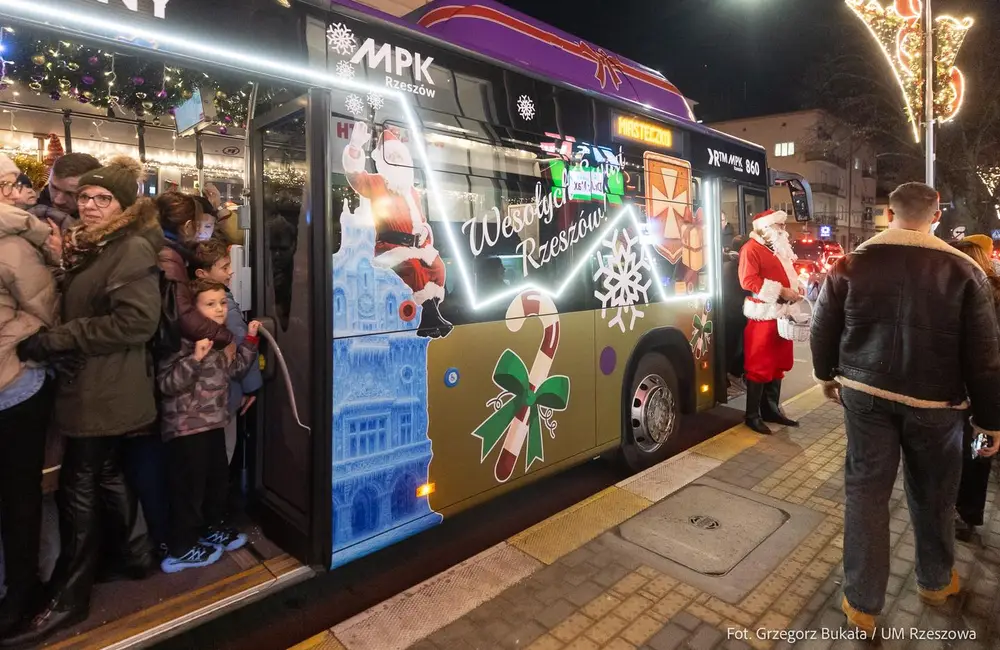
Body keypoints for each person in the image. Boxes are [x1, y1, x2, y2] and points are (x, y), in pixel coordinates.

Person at [811, 182, 1000, 636]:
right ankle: (935, 582)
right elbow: (984, 356)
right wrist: (990, 421)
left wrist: (825, 376)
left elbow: (822, 327)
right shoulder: (964, 271)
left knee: (865, 492)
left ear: (889, 214)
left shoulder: (851, 263)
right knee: (934, 493)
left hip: (864, 394)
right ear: (936, 215)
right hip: (937, 404)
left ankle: (862, 605)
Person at [7, 156, 161, 646]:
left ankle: (70, 598)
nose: (90, 205)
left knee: (78, 484)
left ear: (124, 206)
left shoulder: (130, 247)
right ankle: (137, 555)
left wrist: (58, 340)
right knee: (105, 469)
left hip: (105, 385)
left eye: (103, 199)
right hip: (98, 380)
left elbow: (137, 322)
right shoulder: (98, 243)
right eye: (85, 197)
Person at [158, 279, 260, 573]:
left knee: (215, 481)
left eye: (222, 303)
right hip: (187, 428)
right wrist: (195, 359)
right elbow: (167, 384)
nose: (219, 309)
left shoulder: (220, 341)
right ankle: (181, 547)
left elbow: (235, 370)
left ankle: (210, 527)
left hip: (214, 422)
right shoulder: (180, 340)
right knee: (189, 489)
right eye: (210, 304)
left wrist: (250, 341)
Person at [0, 153, 59, 638]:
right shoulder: (19, 238)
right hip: (11, 379)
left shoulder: (14, 244)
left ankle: (21, 591)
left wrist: (9, 342)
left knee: (18, 493)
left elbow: (43, 313)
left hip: (13, 381)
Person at [343, 122, 452, 338]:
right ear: (384, 161)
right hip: (390, 247)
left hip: (417, 245)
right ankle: (430, 317)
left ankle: (430, 316)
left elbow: (421, 220)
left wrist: (424, 231)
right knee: (414, 268)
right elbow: (356, 178)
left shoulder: (412, 192)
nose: (397, 162)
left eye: (400, 158)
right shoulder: (377, 183)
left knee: (438, 267)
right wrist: (354, 149)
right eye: (392, 158)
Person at [191, 238, 263, 464]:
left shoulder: (192, 301)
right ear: (202, 273)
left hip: (206, 402)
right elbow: (239, 344)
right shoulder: (225, 307)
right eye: (224, 267)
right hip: (226, 396)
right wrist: (251, 387)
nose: (231, 272)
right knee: (224, 451)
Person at [950, 236, 1000, 541]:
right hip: (986, 392)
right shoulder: (993, 291)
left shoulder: (960, 292)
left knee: (957, 451)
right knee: (977, 452)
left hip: (961, 391)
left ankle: (956, 510)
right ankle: (967, 515)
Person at [738, 210, 803, 434]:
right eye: (780, 226)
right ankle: (752, 415)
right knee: (759, 366)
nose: (784, 229)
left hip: (782, 314)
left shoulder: (777, 249)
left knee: (778, 364)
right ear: (766, 228)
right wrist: (781, 291)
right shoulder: (751, 249)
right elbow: (748, 280)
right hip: (763, 316)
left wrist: (796, 289)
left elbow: (788, 276)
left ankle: (771, 410)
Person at [155, 191, 234, 352]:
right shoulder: (169, 258)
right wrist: (225, 337)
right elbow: (182, 314)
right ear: (187, 227)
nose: (200, 231)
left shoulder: (168, 251)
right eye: (198, 225)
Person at [31, 153, 102, 233]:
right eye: (54, 188)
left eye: (70, 194)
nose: (58, 201)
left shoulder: (105, 228)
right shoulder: (29, 214)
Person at [723, 236, 748, 390]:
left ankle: (731, 376)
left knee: (731, 347)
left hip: (729, 314)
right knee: (735, 348)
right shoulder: (738, 266)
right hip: (735, 314)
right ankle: (732, 376)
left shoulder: (728, 264)